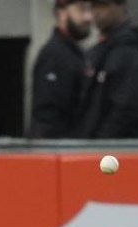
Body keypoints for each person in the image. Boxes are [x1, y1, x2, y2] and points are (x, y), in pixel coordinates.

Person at [77, 0, 138, 139]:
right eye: (93, 6)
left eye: (103, 5)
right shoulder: (101, 51)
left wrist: (100, 143)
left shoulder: (129, 52)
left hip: (123, 147)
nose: (96, 12)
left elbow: (127, 109)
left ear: (120, 7)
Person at [28, 0, 93, 139]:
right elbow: (48, 116)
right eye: (81, 9)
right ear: (61, 13)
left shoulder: (75, 54)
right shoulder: (55, 56)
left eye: (89, 9)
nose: (88, 17)